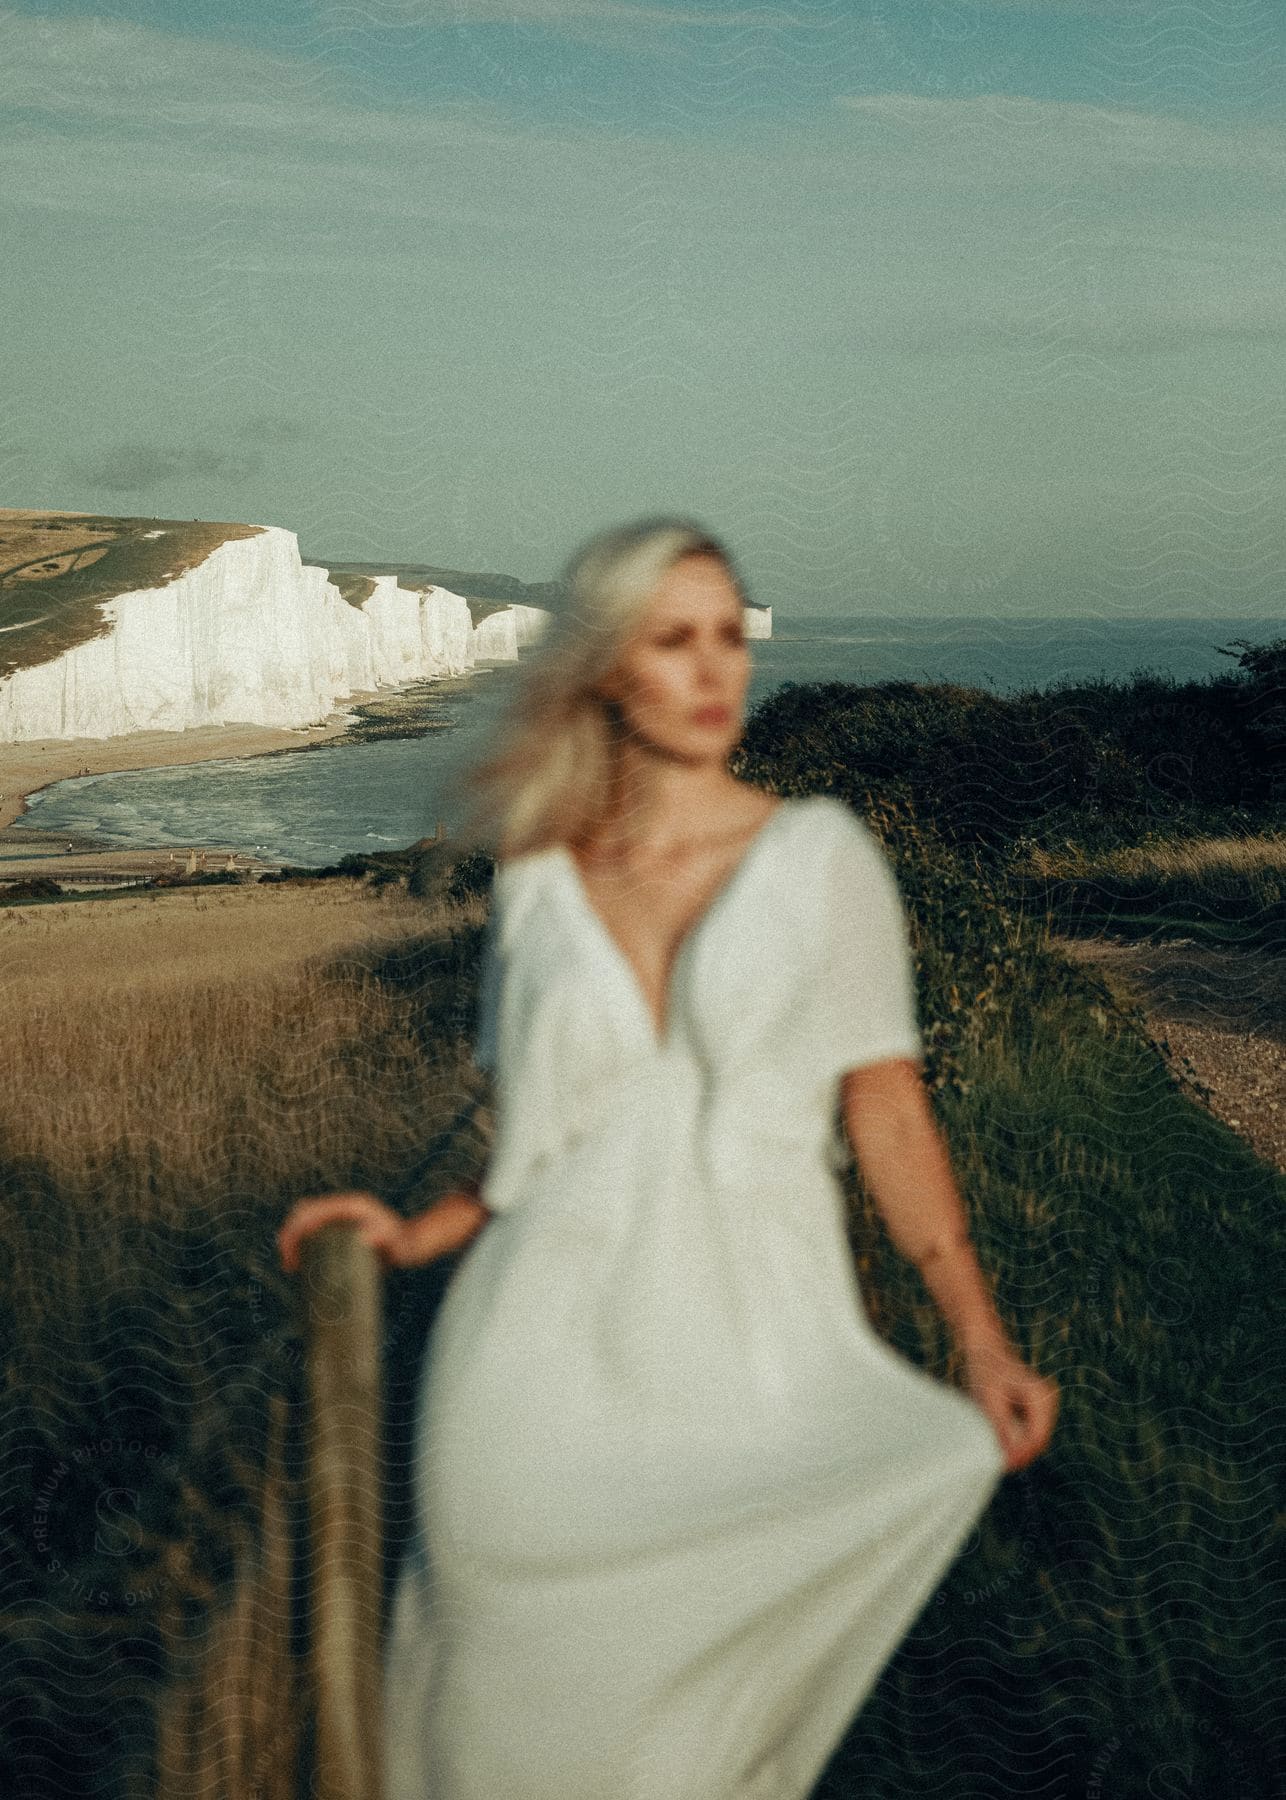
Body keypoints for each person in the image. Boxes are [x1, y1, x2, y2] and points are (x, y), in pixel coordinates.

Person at [277, 516, 1059, 1800]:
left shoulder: (819, 860)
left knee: (679, 1755)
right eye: (670, 640)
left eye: (724, 637)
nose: (712, 672)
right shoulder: (536, 878)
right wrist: (408, 1234)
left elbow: (888, 1112)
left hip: (751, 1359)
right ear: (603, 670)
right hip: (527, 1372)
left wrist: (974, 1337)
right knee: (489, 1714)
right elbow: (527, 1143)